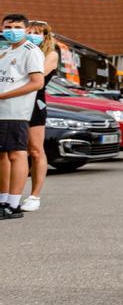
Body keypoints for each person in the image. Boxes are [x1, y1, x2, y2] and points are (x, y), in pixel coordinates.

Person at [0, 14, 45, 219]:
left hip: (15, 111)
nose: (12, 30)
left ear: (26, 29)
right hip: (2, 111)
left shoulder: (31, 51)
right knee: (2, 156)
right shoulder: (6, 51)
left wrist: (3, 95)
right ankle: (3, 200)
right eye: (8, 26)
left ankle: (14, 204)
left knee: (16, 154)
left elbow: (37, 82)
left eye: (17, 26)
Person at [22, 20, 59, 212]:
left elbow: (35, 77)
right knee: (12, 151)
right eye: (29, 32)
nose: (32, 36)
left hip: (35, 103)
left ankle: (35, 195)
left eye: (37, 33)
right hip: (13, 103)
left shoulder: (50, 55)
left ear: (45, 36)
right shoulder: (17, 51)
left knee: (35, 150)